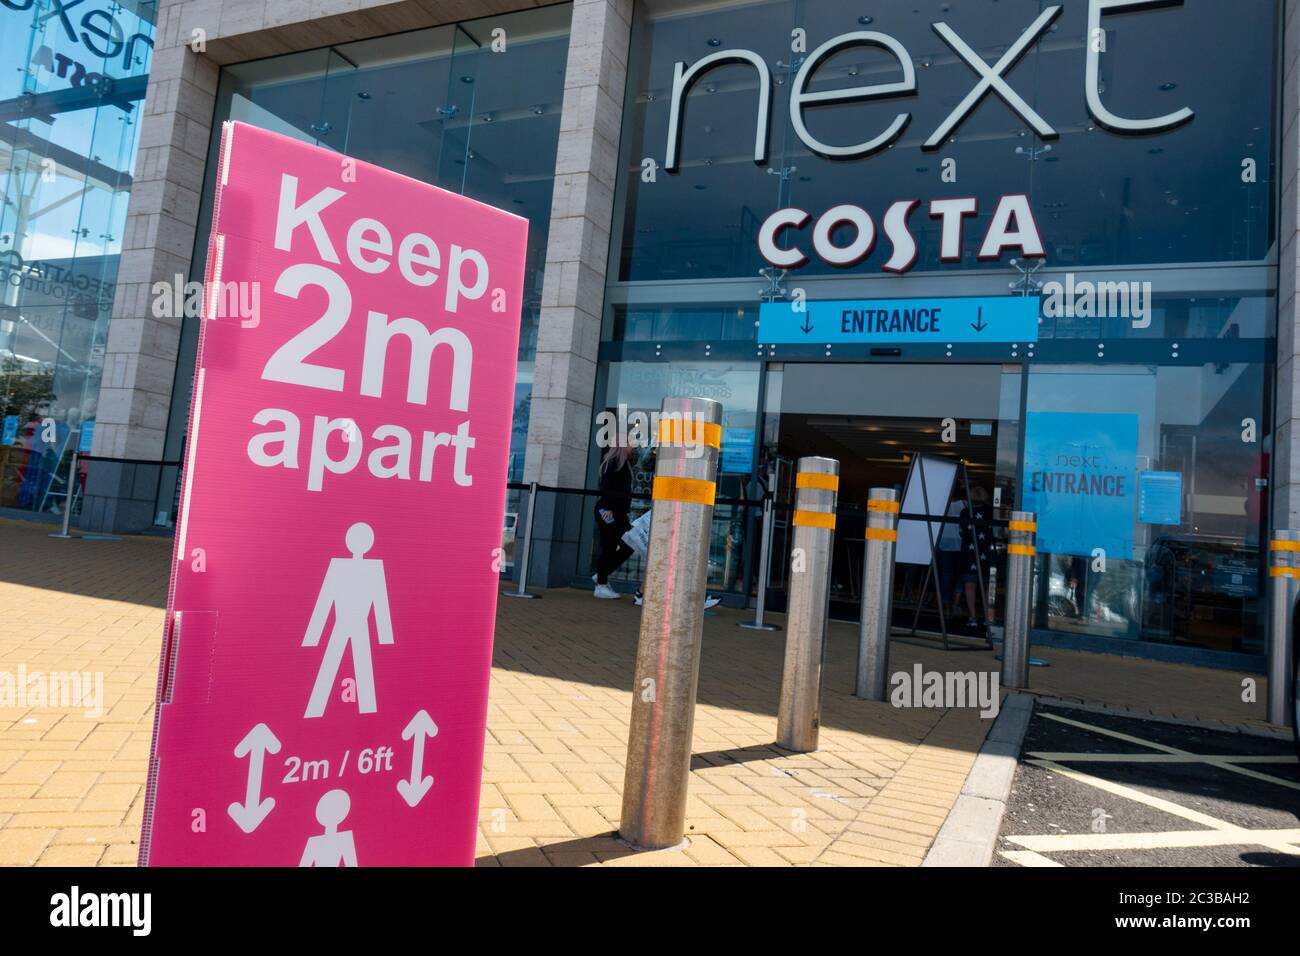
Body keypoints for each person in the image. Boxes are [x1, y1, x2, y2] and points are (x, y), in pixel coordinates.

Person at [593, 443, 635, 599]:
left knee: (627, 545)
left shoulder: (622, 463)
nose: (634, 446)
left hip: (616, 512)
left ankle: (601, 576)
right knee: (610, 547)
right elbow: (607, 490)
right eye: (630, 443)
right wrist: (610, 511)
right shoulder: (614, 463)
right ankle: (601, 585)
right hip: (609, 512)